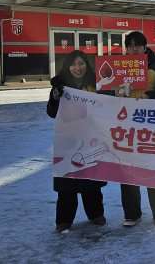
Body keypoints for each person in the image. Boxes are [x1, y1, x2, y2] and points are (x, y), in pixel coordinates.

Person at [46, 50, 107, 233]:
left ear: (86, 65)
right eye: (74, 64)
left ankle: (95, 214)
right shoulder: (60, 86)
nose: (78, 68)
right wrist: (56, 99)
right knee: (67, 180)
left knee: (91, 178)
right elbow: (51, 112)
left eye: (81, 63)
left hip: (90, 136)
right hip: (68, 138)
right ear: (68, 66)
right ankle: (64, 220)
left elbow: (106, 106)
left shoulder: (95, 83)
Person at [118, 31, 155, 227]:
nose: (133, 49)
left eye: (137, 45)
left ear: (145, 47)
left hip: (149, 128)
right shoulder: (118, 68)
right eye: (129, 46)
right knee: (126, 171)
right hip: (124, 127)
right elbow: (104, 91)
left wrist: (150, 96)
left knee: (151, 170)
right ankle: (132, 213)